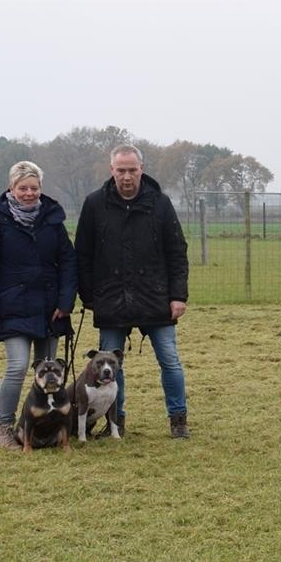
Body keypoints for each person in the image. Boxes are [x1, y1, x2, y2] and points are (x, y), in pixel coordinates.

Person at [74, 144, 191, 438]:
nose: (127, 176)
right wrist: (89, 296)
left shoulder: (161, 203)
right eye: (121, 170)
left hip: (156, 298)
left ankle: (178, 421)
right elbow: (83, 255)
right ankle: (117, 423)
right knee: (110, 366)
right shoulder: (94, 204)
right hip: (111, 300)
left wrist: (178, 295)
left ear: (142, 169)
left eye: (132, 170)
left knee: (170, 361)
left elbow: (177, 251)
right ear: (111, 170)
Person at [0, 161, 77, 451]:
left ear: (41, 189)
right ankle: (5, 427)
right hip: (12, 308)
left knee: (51, 371)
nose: (29, 193)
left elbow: (68, 262)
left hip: (50, 309)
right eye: (23, 188)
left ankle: (52, 425)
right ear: (12, 188)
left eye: (34, 188)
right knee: (19, 366)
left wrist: (66, 301)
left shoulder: (53, 221)